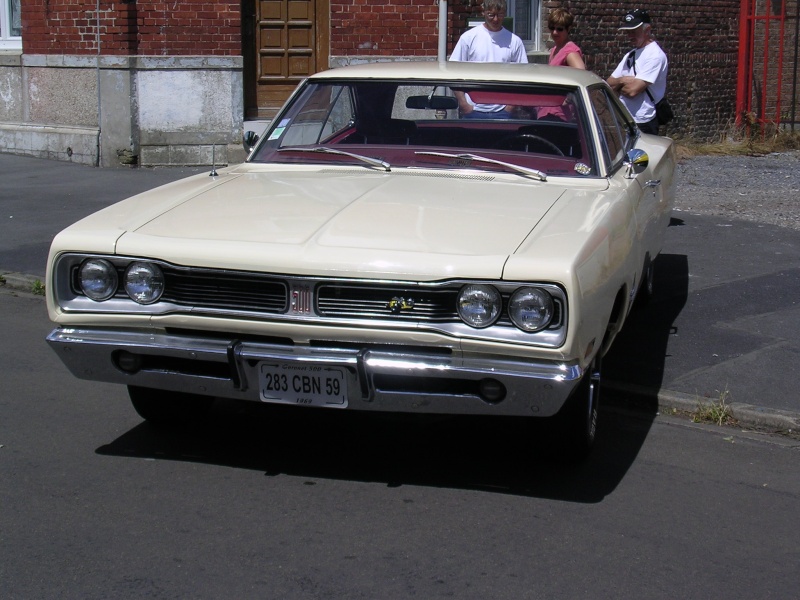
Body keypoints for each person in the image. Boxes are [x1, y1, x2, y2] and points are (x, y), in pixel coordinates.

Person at [449, 0, 528, 119]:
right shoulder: (469, 38)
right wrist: (464, 103)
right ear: (484, 12)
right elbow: (453, 71)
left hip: (503, 111)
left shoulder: (514, 41)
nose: (495, 19)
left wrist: (511, 105)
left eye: (500, 15)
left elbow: (524, 75)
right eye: (491, 15)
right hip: (473, 110)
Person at [607, 9, 668, 135]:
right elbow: (609, 84)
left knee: (642, 155)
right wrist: (623, 80)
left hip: (643, 121)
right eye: (628, 32)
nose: (630, 36)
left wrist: (617, 86)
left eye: (634, 31)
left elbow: (632, 91)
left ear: (647, 29)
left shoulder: (655, 55)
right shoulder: (631, 54)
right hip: (624, 117)